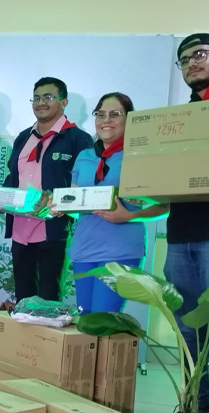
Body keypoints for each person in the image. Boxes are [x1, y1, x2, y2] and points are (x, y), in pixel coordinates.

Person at [52, 92, 168, 313]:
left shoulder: (141, 156)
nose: (106, 120)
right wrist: (61, 207)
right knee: (86, 321)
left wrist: (130, 215)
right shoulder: (85, 156)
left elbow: (165, 206)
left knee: (104, 323)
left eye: (115, 114)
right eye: (101, 114)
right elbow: (78, 205)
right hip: (83, 249)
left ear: (129, 119)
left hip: (120, 251)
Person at [3, 77, 92, 302]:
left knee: (49, 299)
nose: (41, 102)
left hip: (54, 231)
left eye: (49, 97)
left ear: (64, 102)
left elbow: (85, 186)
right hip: (21, 230)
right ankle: (24, 339)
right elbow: (13, 177)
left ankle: (46, 340)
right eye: (37, 98)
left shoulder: (78, 139)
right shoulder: (23, 137)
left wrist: (60, 202)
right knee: (23, 298)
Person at [166, 33, 209, 413]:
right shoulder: (178, 119)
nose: (191, 63)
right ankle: (194, 403)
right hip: (180, 236)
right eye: (184, 60)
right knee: (188, 329)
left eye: (199, 54)